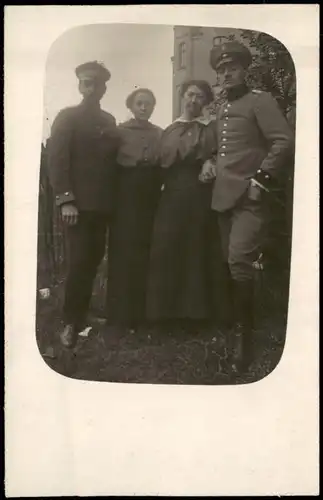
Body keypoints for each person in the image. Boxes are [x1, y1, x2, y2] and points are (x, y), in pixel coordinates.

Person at [208, 41, 294, 373]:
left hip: (250, 196)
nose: (226, 74)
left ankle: (244, 341)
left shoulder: (261, 101)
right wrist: (209, 161)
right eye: (221, 70)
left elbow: (283, 140)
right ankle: (235, 325)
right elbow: (222, 149)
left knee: (239, 260)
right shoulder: (221, 109)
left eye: (231, 68)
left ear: (245, 70)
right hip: (222, 197)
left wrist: (261, 180)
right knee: (231, 265)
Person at [47, 61, 120, 348]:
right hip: (77, 207)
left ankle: (84, 313)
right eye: (86, 83)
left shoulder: (109, 120)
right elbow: (57, 160)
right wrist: (66, 200)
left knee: (92, 262)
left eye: (97, 84)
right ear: (80, 86)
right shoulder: (67, 117)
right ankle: (69, 321)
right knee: (78, 263)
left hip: (102, 206)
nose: (91, 88)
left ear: (104, 88)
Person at [146, 80, 221, 334]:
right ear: (182, 97)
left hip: (200, 192)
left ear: (206, 102)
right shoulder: (170, 129)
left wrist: (211, 161)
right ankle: (163, 314)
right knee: (167, 247)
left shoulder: (211, 127)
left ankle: (195, 315)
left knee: (195, 247)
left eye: (200, 97)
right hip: (171, 195)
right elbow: (159, 162)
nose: (193, 100)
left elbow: (221, 152)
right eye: (190, 95)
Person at [106, 88, 163, 333]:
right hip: (125, 195)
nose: (143, 107)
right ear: (131, 106)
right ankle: (120, 316)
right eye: (139, 103)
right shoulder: (119, 132)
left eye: (148, 104)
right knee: (123, 251)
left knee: (146, 250)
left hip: (151, 195)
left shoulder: (160, 133)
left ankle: (144, 314)